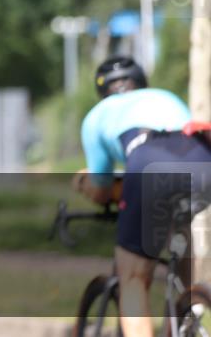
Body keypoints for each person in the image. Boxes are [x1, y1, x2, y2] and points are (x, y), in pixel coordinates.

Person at [73, 55, 211, 337]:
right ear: (141, 82)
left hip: (148, 163)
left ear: (102, 91)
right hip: (202, 157)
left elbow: (102, 189)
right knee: (178, 223)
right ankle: (188, 308)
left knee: (133, 278)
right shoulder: (165, 97)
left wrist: (83, 183)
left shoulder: (97, 116)